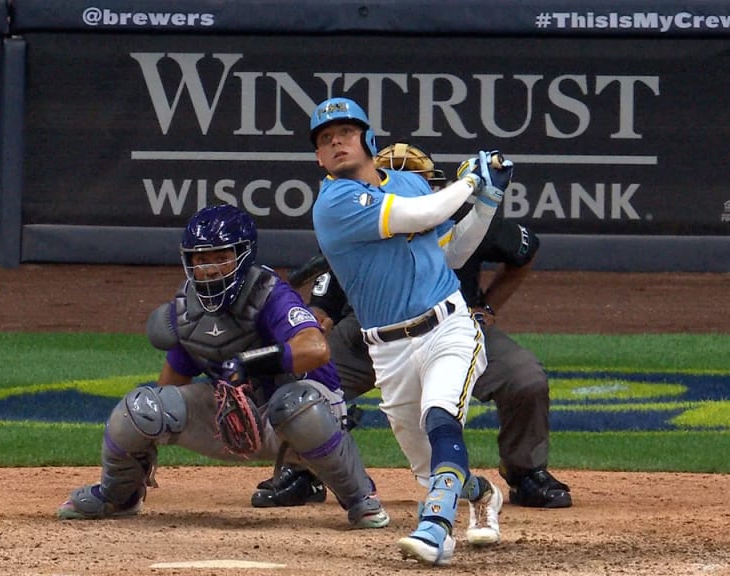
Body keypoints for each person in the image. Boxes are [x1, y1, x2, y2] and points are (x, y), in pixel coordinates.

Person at [252, 142, 571, 511]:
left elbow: (524, 250)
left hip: (452, 324)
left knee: (524, 377)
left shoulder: (463, 217)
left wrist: (488, 305)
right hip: (368, 334)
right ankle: (302, 472)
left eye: (419, 182)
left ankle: (526, 472)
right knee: (306, 385)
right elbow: (321, 308)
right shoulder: (355, 223)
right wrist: (309, 328)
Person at [56, 204, 389, 531]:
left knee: (295, 406)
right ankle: (118, 495)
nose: (210, 269)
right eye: (201, 260)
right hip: (232, 422)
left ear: (243, 256)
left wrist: (248, 361)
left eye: (221, 258)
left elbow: (315, 349)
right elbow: (168, 388)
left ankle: (359, 498)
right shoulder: (188, 308)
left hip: (298, 423)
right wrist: (148, 429)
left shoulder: (269, 293)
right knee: (141, 408)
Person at [307, 96, 511, 566]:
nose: (336, 142)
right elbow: (421, 217)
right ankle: (482, 496)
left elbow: (452, 253)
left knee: (441, 416)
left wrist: (488, 199)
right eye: (324, 139)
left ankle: (436, 528)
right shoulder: (333, 204)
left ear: (367, 139)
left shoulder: (410, 183)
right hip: (388, 351)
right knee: (430, 466)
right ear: (318, 157)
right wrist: (472, 182)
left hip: (448, 326)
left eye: (345, 132)